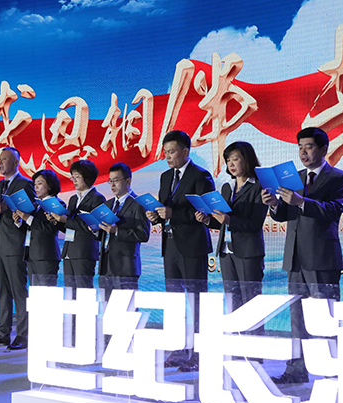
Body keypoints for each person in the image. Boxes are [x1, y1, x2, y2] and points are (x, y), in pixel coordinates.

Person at [261, 127, 343, 384]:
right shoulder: (295, 178)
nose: (303, 152)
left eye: (309, 147)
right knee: (297, 317)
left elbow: (334, 210)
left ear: (323, 149)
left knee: (325, 316)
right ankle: (296, 370)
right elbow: (284, 215)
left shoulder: (339, 177)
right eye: (300, 147)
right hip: (295, 258)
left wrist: (301, 202)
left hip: (321, 257)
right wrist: (274, 204)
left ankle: (331, 370)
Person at [146, 130, 215, 372]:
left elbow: (205, 212)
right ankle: (177, 349)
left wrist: (174, 214)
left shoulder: (201, 176)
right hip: (171, 245)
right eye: (165, 152)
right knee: (174, 301)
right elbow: (165, 208)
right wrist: (156, 216)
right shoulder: (166, 176)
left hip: (193, 245)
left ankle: (199, 352)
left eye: (172, 152)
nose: (167, 156)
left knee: (197, 301)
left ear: (185, 151)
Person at [196, 141, 267, 311]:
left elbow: (255, 224)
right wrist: (207, 220)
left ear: (247, 159)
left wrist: (229, 220)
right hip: (226, 251)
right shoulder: (227, 187)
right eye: (228, 160)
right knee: (232, 299)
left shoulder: (259, 187)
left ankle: (254, 329)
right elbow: (222, 221)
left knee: (251, 301)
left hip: (248, 252)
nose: (231, 164)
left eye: (235, 159)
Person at [0, 147, 35, 350]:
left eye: (5, 159)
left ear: (16, 162)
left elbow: (30, 212)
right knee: (2, 291)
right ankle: (3, 332)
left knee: (19, 292)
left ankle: (23, 334)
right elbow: (0, 213)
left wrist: (7, 207)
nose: (0, 162)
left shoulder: (25, 184)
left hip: (15, 244)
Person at [98, 162, 150, 300]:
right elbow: (104, 233)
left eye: (116, 180)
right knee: (107, 307)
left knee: (127, 308)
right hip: (106, 265)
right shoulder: (107, 204)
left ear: (128, 181)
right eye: (110, 181)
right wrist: (95, 229)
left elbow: (143, 234)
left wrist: (117, 230)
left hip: (126, 267)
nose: (112, 185)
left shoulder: (138, 203)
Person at [50, 160, 106, 289]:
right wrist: (57, 221)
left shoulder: (97, 198)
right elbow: (69, 226)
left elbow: (92, 227)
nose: (74, 180)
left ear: (88, 177)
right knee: (70, 291)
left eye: (77, 177)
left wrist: (65, 220)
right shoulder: (73, 199)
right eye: (72, 177)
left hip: (84, 252)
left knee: (83, 290)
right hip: (69, 250)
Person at [14, 169, 66, 287]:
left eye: (40, 183)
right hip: (32, 254)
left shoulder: (56, 203)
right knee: (36, 293)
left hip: (46, 255)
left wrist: (28, 218)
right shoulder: (36, 205)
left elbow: (51, 229)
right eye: (35, 184)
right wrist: (19, 221)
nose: (36, 187)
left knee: (46, 292)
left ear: (50, 185)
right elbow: (30, 228)